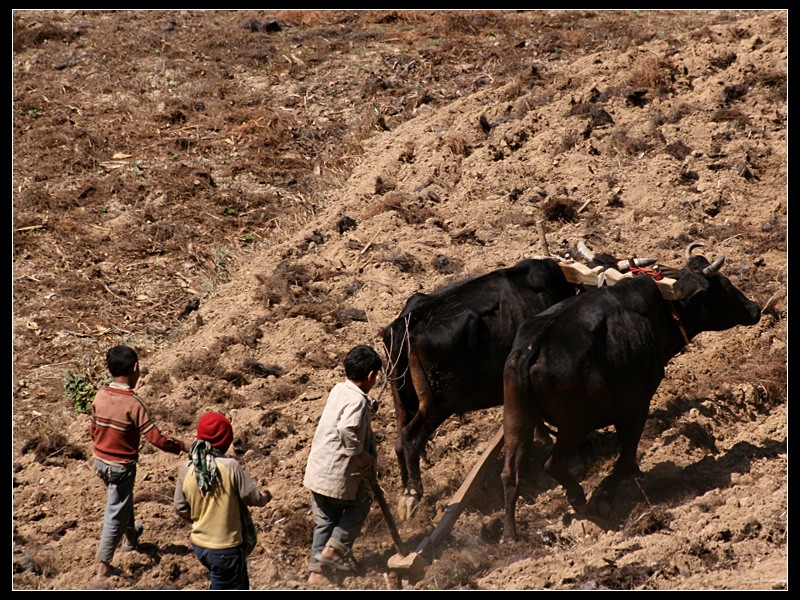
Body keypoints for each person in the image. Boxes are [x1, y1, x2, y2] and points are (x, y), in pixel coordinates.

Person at [90, 344, 191, 585]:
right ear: (135, 368)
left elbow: (93, 430)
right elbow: (156, 438)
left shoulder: (100, 395)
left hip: (100, 462)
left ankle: (132, 539)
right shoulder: (134, 403)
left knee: (122, 500)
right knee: (115, 512)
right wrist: (182, 445)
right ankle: (103, 570)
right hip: (121, 467)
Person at [303, 344, 383, 586]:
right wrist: (360, 455)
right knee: (360, 505)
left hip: (317, 475)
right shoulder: (358, 402)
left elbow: (348, 409)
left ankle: (316, 575)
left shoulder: (339, 389)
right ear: (371, 376)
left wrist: (369, 405)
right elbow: (346, 427)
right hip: (338, 476)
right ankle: (332, 553)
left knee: (324, 522)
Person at [174, 411, 272, 590]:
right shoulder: (230, 467)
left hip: (200, 545)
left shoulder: (187, 468)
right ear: (226, 441)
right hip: (226, 548)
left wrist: (200, 516)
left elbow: (180, 507)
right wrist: (266, 496)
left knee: (235, 582)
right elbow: (253, 497)